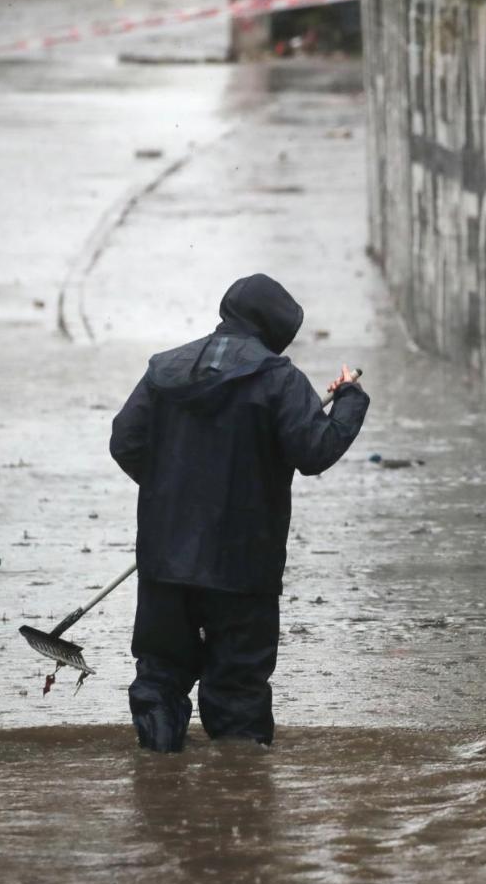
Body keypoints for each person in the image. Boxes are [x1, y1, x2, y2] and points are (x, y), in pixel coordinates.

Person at [110, 274, 369, 752]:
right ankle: (237, 801)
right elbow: (314, 451)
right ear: (277, 329)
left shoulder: (165, 369)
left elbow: (125, 442)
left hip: (166, 561)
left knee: (160, 680)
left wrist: (176, 496)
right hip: (244, 566)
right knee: (238, 691)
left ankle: (158, 788)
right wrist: (349, 399)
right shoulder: (280, 379)